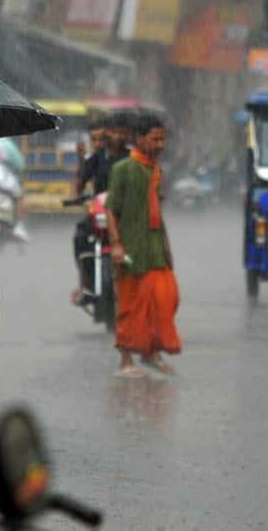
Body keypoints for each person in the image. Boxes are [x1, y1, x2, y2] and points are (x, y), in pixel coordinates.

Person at [105, 114, 181, 378]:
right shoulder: (123, 169)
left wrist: (167, 247)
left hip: (154, 250)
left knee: (165, 300)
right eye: (154, 139)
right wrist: (116, 245)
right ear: (139, 139)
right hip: (130, 249)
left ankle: (150, 352)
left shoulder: (155, 170)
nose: (160, 144)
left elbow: (157, 213)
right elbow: (111, 210)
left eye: (162, 139)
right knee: (130, 305)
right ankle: (125, 360)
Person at [71, 113, 132, 305]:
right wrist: (81, 161)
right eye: (114, 132)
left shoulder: (131, 158)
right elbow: (80, 184)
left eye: (121, 132)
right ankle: (85, 282)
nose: (117, 137)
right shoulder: (96, 158)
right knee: (80, 236)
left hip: (125, 213)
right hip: (99, 212)